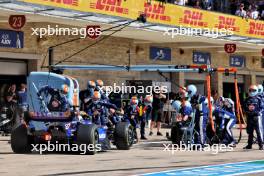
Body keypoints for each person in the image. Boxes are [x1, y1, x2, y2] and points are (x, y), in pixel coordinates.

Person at [243, 85, 263, 150]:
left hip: (256, 117)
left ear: (256, 91)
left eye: (253, 90)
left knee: (258, 132)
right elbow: (244, 108)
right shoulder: (246, 99)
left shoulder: (259, 99)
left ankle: (261, 145)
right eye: (250, 90)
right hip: (249, 117)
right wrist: (247, 112)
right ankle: (249, 145)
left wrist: (257, 112)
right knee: (250, 132)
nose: (251, 92)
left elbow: (262, 108)